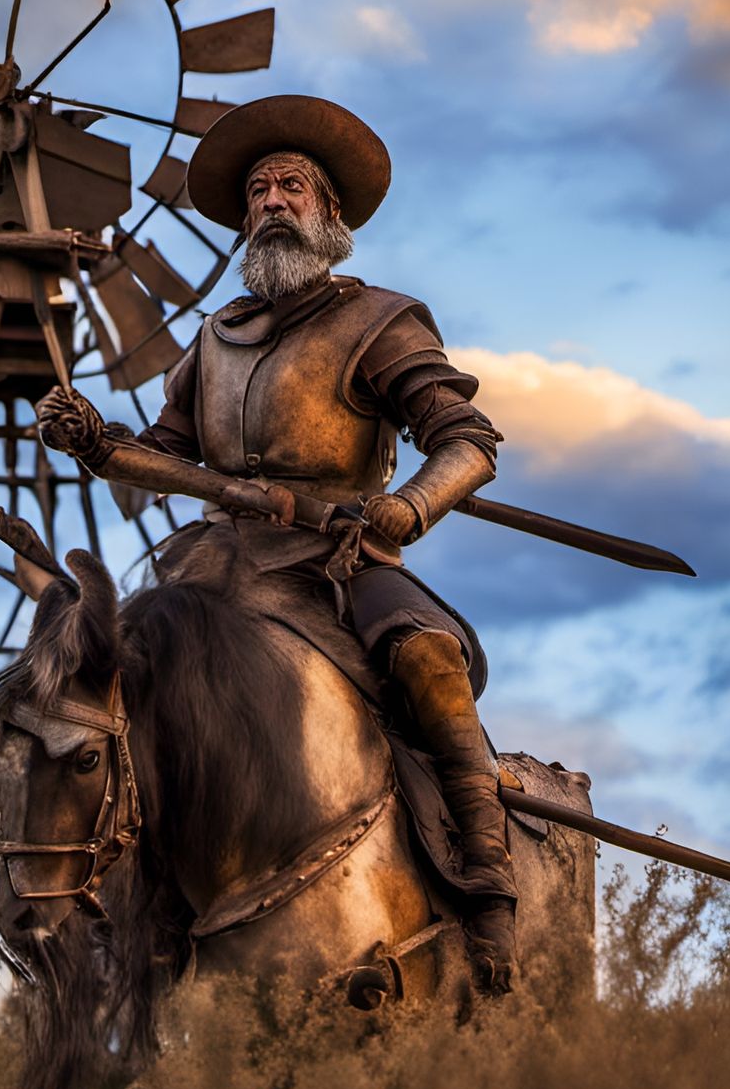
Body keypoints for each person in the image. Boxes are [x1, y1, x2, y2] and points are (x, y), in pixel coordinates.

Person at [36, 95, 517, 991]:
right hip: (214, 571)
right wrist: (103, 444)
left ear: (330, 213)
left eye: (291, 186)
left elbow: (468, 441)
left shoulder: (379, 321)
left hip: (338, 563)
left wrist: (405, 511)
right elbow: (166, 459)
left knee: (427, 661)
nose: (270, 200)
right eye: (257, 190)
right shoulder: (212, 340)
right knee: (103, 695)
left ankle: (486, 886)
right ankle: (133, 910)